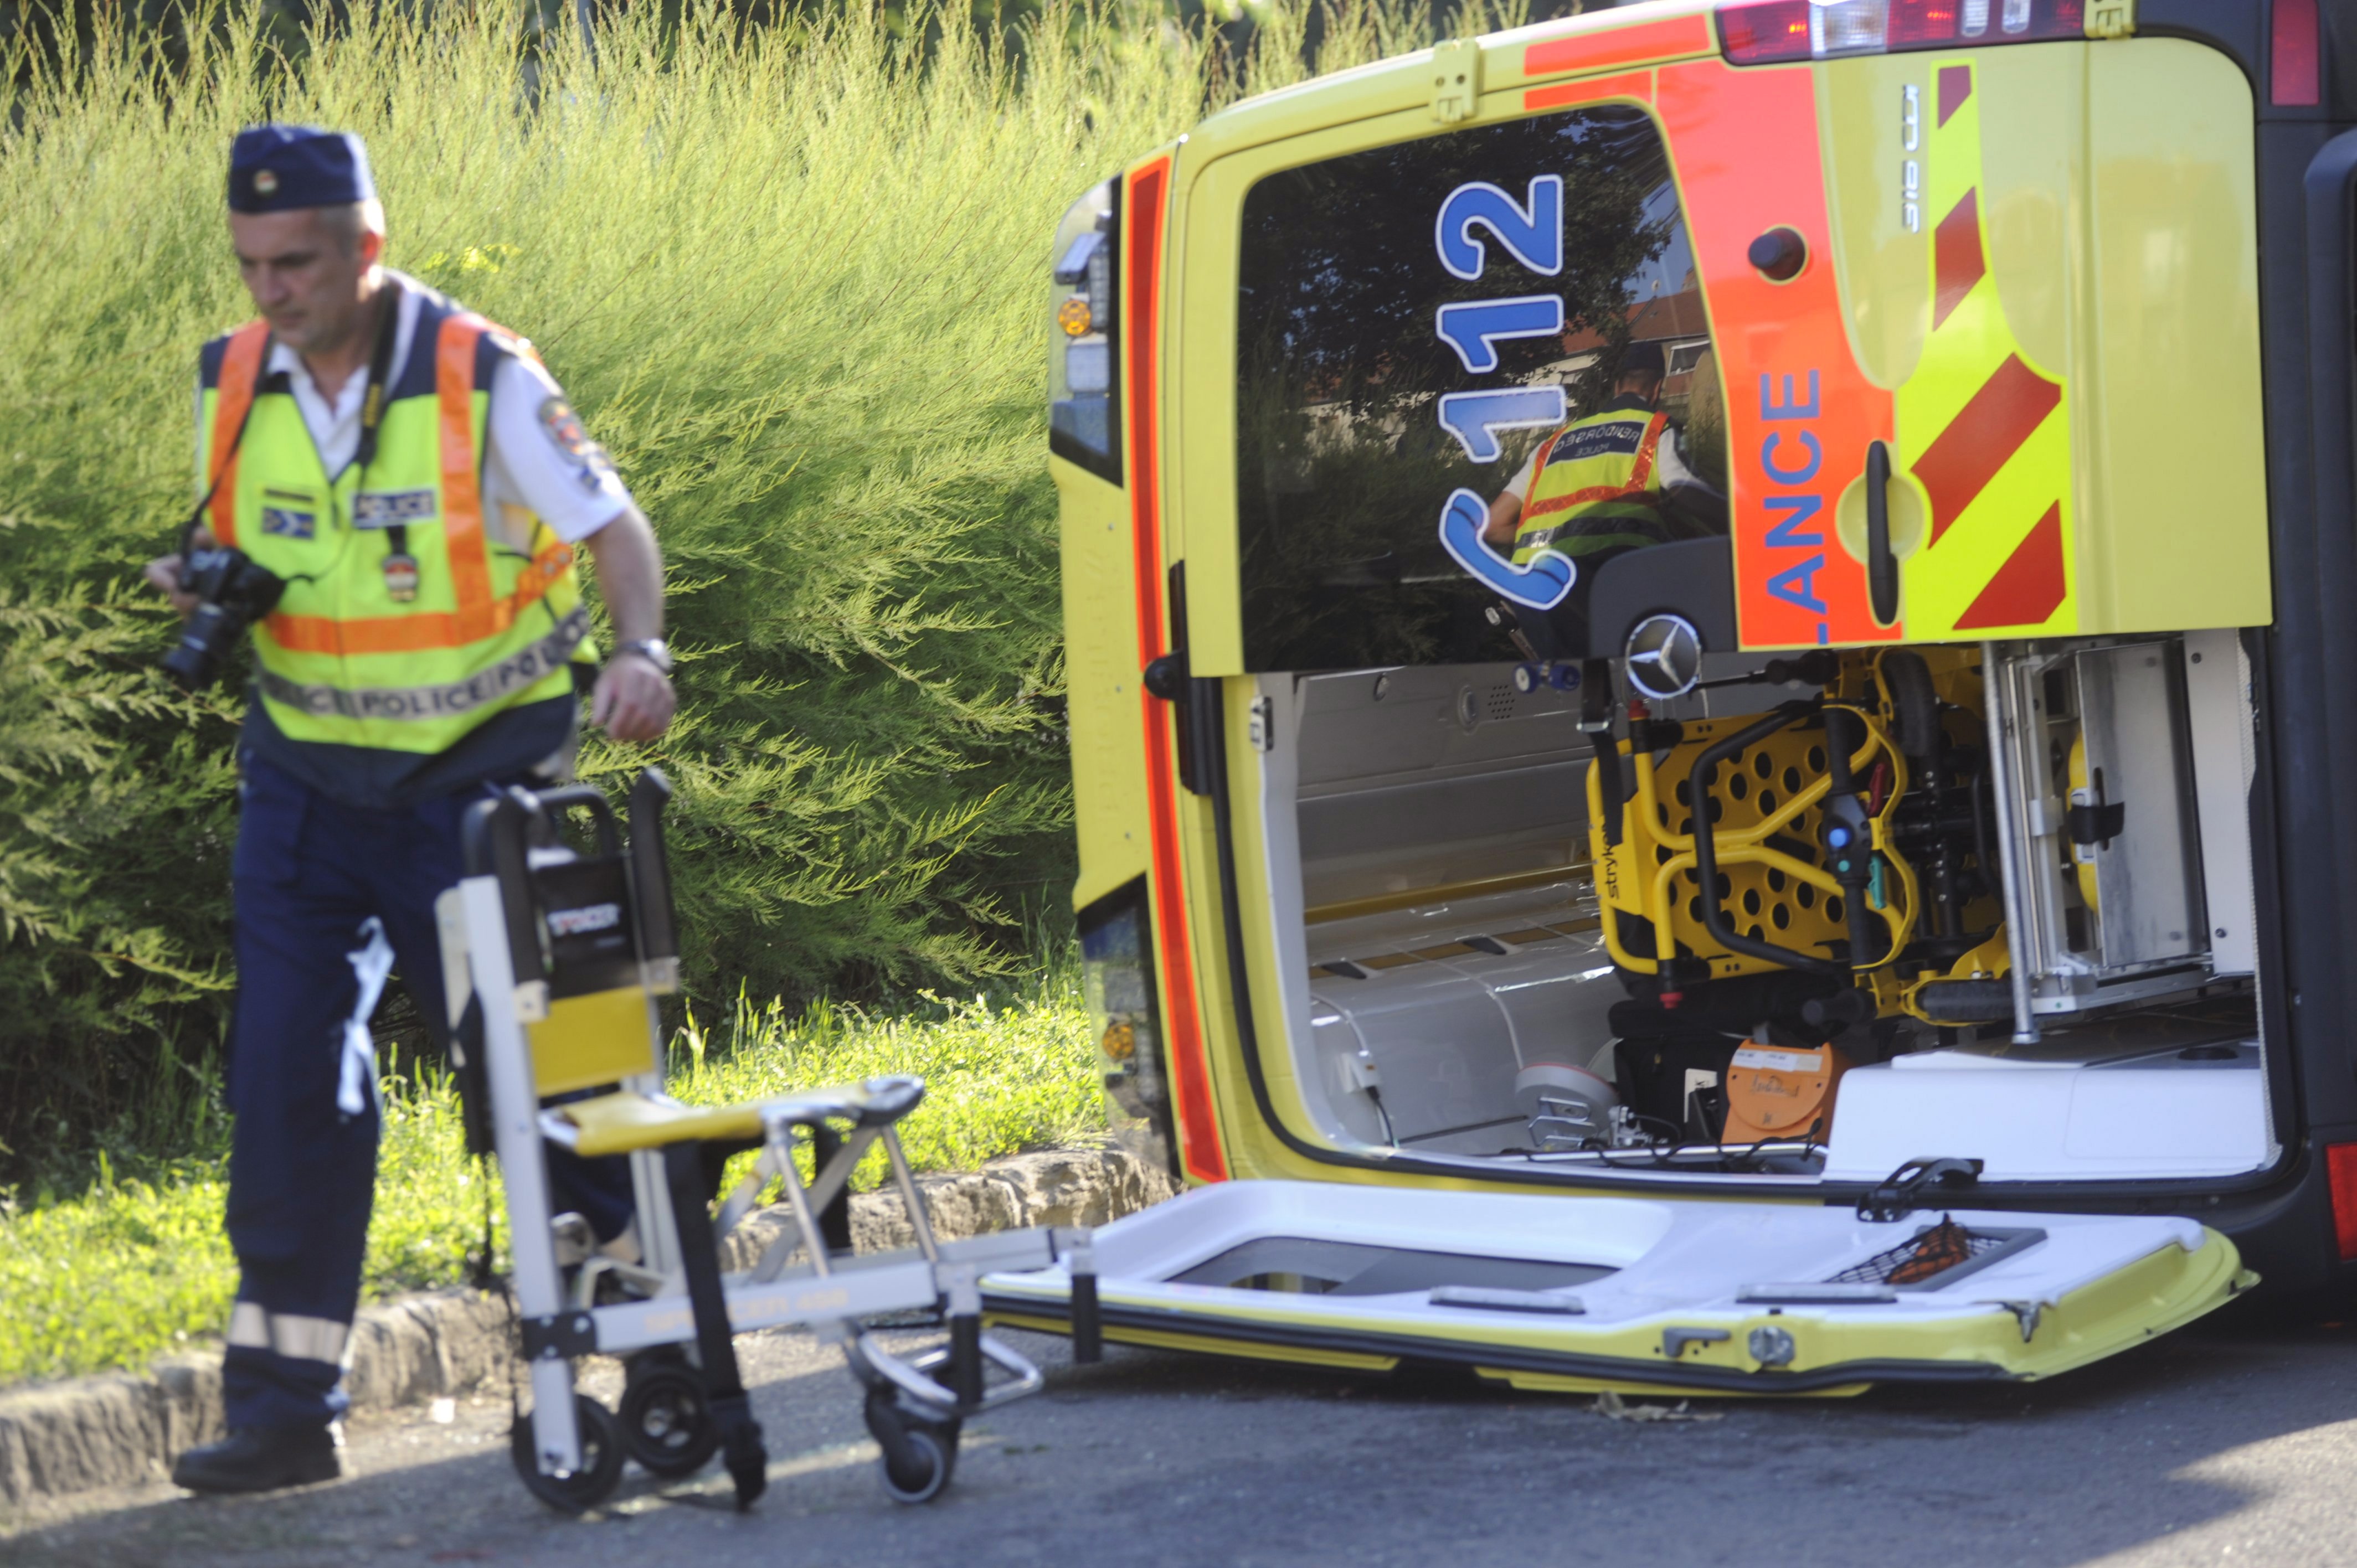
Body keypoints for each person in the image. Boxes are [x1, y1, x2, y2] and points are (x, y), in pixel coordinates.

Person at [143, 125, 676, 1494]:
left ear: (365, 247)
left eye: (298, 261)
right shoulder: (234, 373)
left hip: (485, 780)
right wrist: (202, 579)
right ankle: (282, 1409)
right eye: (251, 263)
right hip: (308, 787)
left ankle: (662, 1345)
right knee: (283, 1094)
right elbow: (269, 542)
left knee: (556, 1072)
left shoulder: (477, 373)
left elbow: (617, 531)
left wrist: (640, 653)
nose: (272, 290)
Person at [1479, 339, 1725, 659]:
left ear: (1616, 387)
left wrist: (1559, 531)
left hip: (1536, 592)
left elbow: (1493, 525)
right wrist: (1751, 526)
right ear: (1657, 390)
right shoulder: (1653, 431)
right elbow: (1691, 496)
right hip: (1613, 583)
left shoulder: (1552, 443)